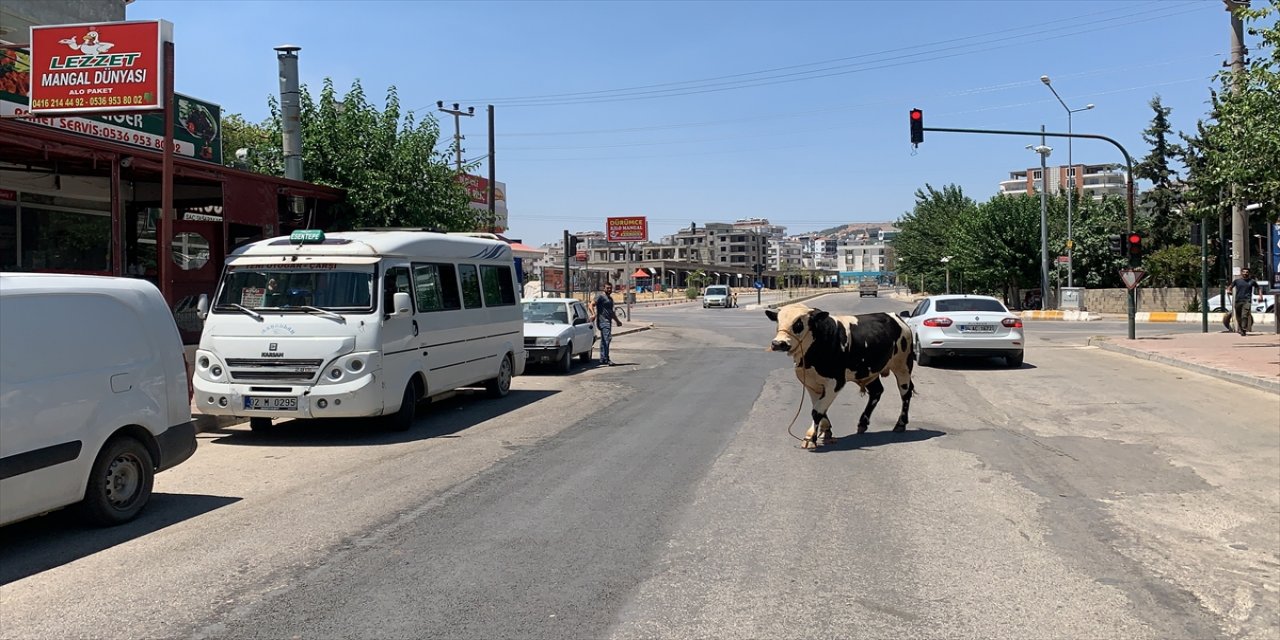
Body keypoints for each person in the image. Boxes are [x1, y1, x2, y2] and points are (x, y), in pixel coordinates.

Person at [589, 282, 623, 365]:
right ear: (604, 288)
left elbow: (611, 312)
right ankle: (606, 358)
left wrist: (617, 321)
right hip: (603, 322)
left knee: (605, 340)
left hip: (608, 321)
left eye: (610, 288)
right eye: (607, 288)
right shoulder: (600, 296)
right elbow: (591, 305)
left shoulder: (610, 299)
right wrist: (593, 314)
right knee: (607, 339)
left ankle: (602, 358)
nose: (609, 290)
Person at [1227, 267, 1260, 336]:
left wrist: (1261, 296)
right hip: (1238, 301)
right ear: (1241, 273)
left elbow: (1258, 288)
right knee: (1238, 317)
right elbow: (1230, 287)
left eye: (1247, 272)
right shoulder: (1237, 281)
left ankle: (1244, 328)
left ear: (1249, 273)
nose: (1245, 273)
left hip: (1247, 300)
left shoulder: (1252, 281)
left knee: (1244, 315)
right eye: (1244, 272)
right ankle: (1241, 329)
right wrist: (1229, 290)